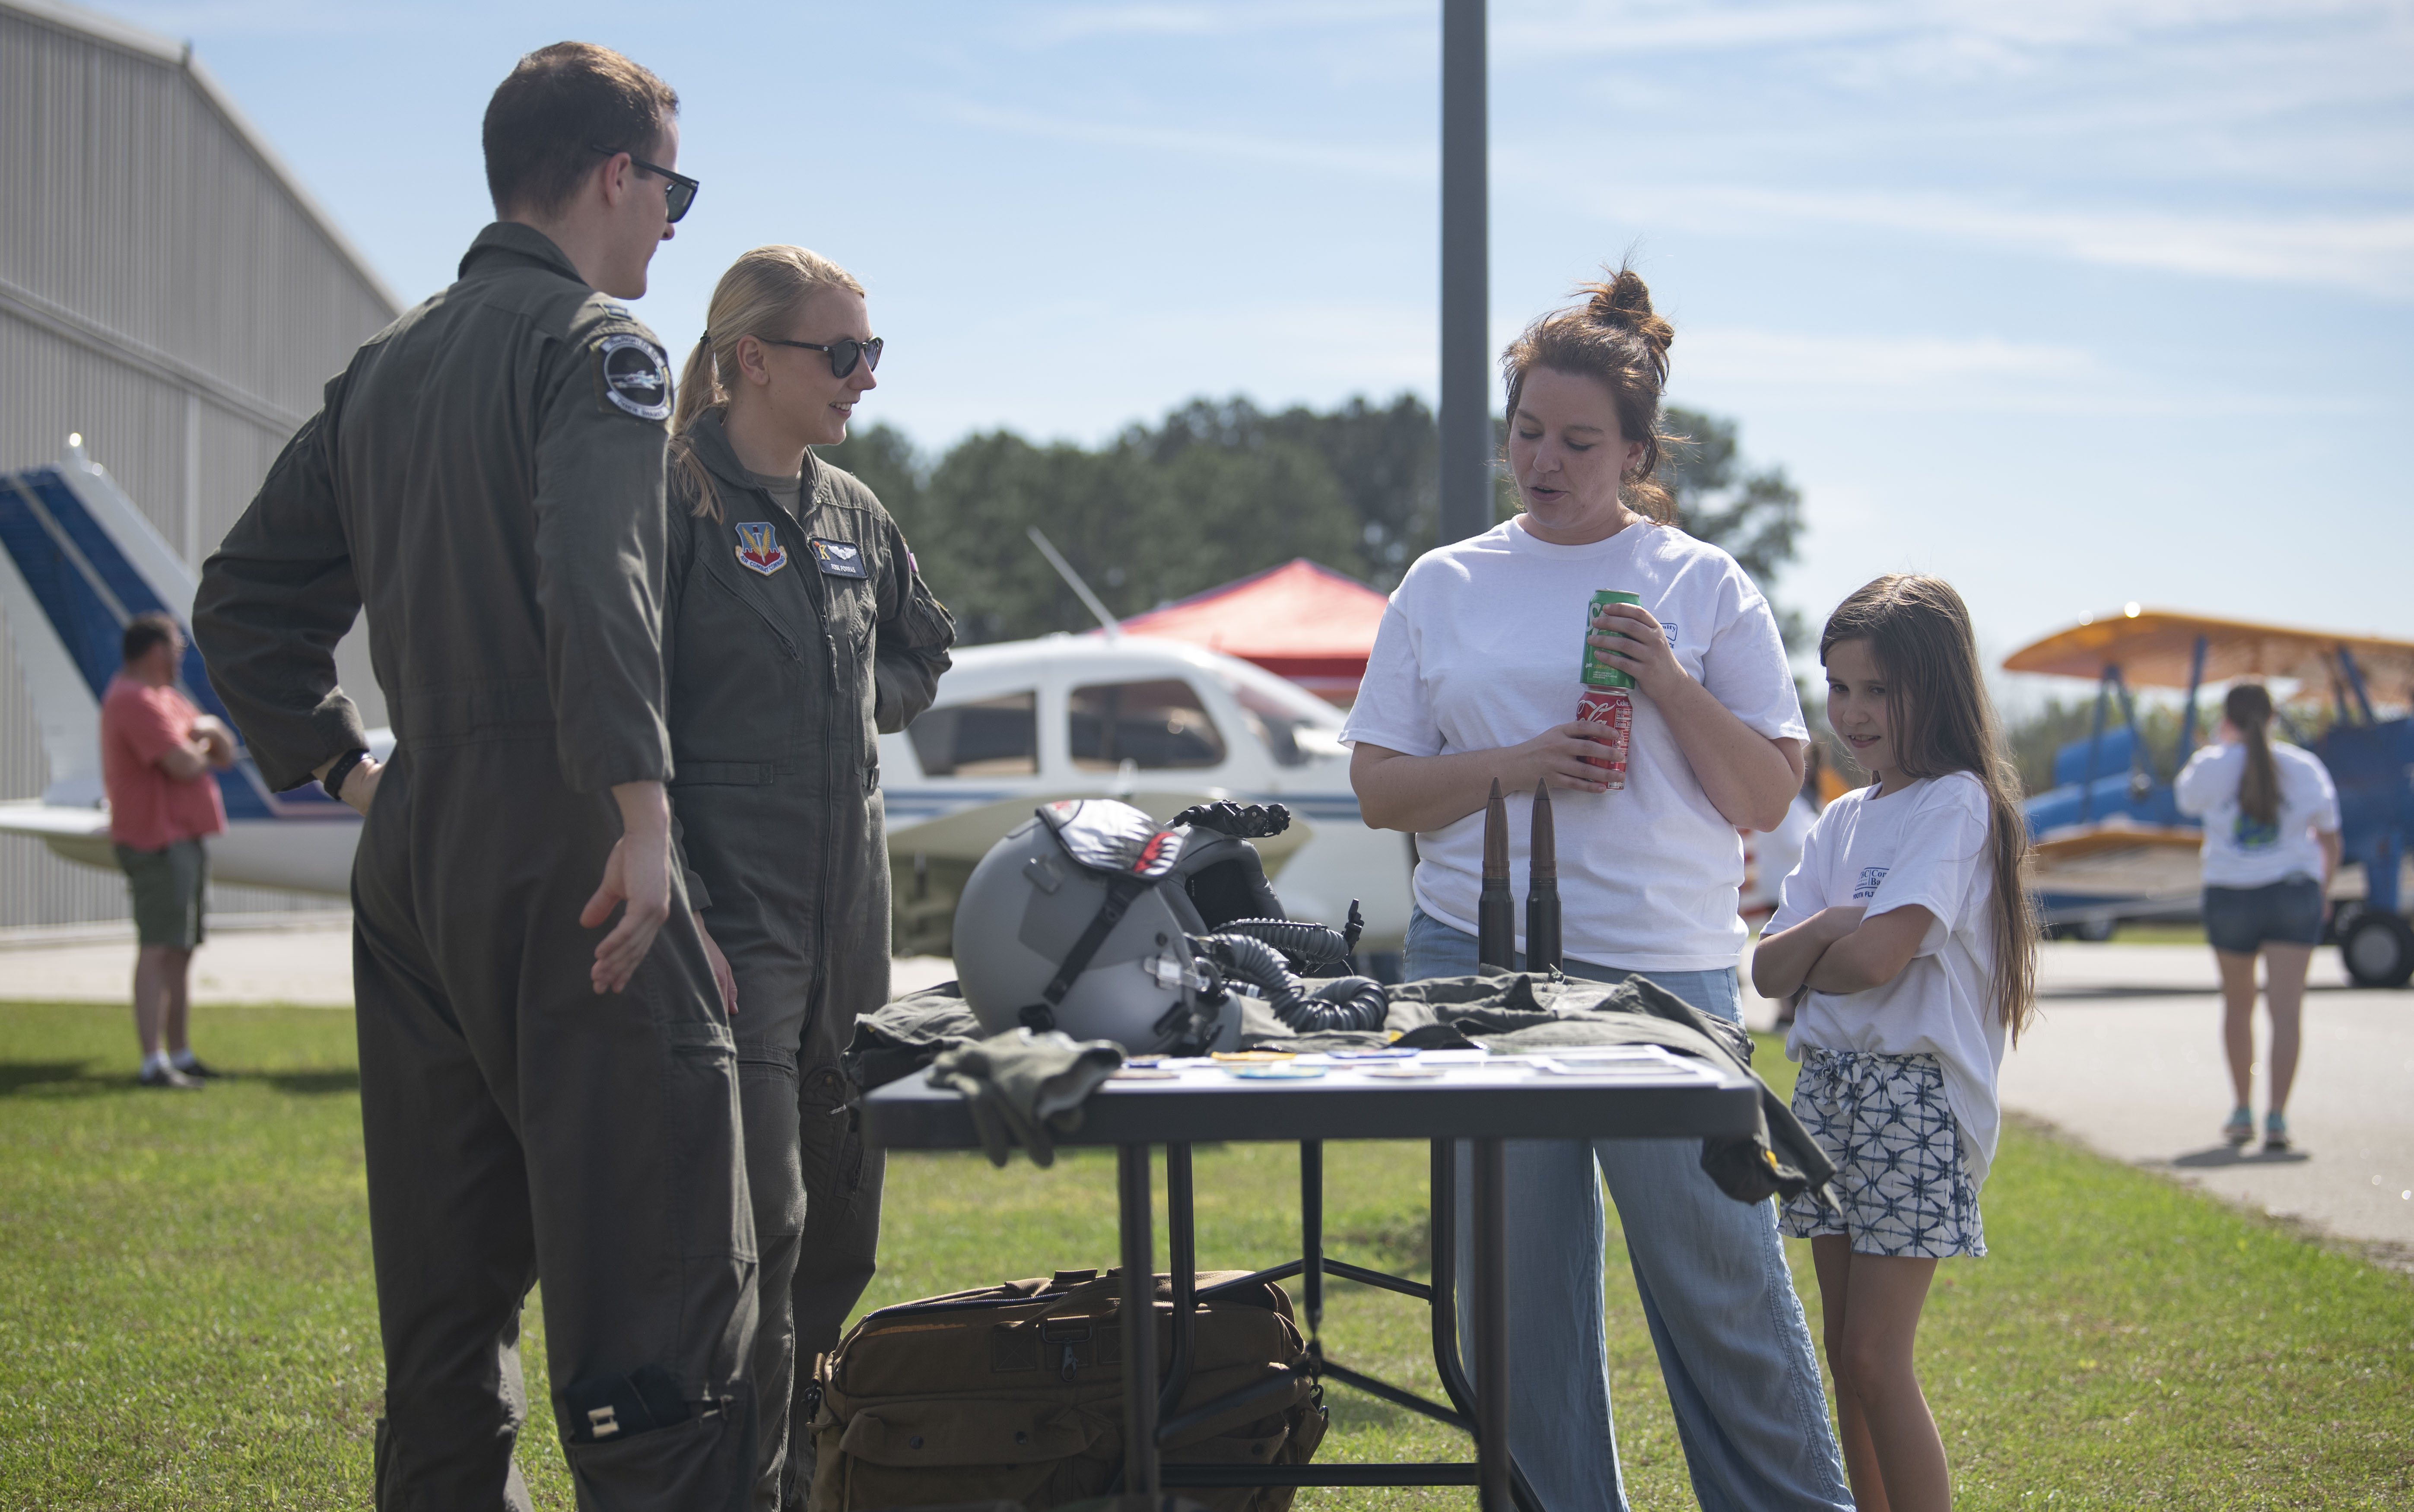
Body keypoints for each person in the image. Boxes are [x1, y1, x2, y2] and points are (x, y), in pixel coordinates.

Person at [193, 43, 757, 1510]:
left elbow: (244, 601)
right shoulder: (593, 351)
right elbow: (596, 571)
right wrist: (640, 816)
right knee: (659, 1277)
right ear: (615, 174)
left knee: (446, 1307)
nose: (674, 226)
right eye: (670, 187)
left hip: (423, 837)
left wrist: (343, 766)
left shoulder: (389, 362)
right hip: (570, 837)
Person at [1345, 266, 1851, 1512]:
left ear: (1634, 450)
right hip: (1475, 959)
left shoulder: (1702, 582)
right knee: (1515, 1308)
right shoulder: (1442, 581)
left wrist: (1670, 684)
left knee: (1720, 1283)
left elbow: (1762, 796)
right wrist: (1518, 764)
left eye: (1579, 441)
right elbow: (1377, 788)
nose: (1545, 460)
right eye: (1527, 433)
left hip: (1661, 972)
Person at [662, 246, 954, 1509]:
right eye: (840, 354)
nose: (863, 377)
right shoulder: (666, 501)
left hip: (850, 933)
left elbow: (922, 647)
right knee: (753, 1225)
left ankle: (796, 1468)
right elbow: (612, 707)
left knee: (840, 1220)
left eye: (871, 352)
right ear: (748, 358)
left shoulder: (851, 511)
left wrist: (850, 702)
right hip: (725, 925)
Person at [1752, 575, 2039, 1512]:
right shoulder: (1842, 817)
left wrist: (1828, 944)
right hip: (1828, 1088)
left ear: (1936, 686)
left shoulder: (1955, 804)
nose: (1854, 712)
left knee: (1878, 1357)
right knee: (1845, 1357)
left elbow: (1876, 962)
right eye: (1838, 687)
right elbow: (1765, 971)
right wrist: (1838, 919)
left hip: (1912, 1095)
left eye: (1879, 689)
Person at [2174, 683, 2340, 1153]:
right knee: (2285, 1011)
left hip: (2230, 895)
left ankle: (2241, 1110)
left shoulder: (2209, 764)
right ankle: (2276, 1118)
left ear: (2227, 717)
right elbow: (2329, 841)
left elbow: (2185, 801)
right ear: (2272, 716)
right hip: (2292, 892)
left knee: (2237, 1004)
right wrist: (2322, 891)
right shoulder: (2305, 767)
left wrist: (2215, 744)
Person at [100, 610, 235, 1089]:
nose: (181, 656)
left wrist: (213, 734)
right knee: (158, 948)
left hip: (183, 837)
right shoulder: (134, 699)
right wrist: (209, 736)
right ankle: (152, 1061)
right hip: (155, 840)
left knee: (180, 950)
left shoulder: (167, 699)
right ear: (155, 651)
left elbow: (225, 753)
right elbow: (184, 764)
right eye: (177, 647)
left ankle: (180, 1052)